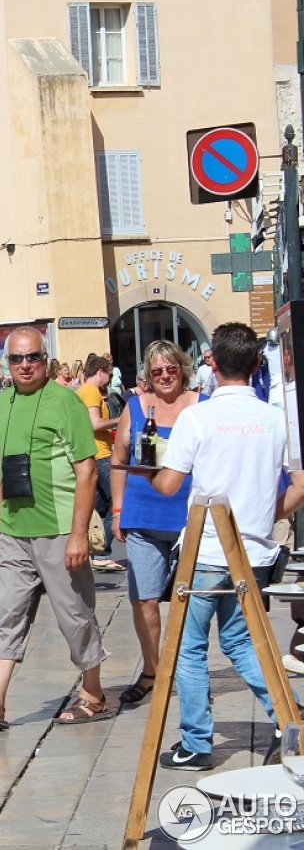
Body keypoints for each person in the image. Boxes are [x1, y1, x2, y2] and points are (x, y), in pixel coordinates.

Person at [149, 322, 304, 770]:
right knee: (242, 639)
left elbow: (170, 483)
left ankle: (196, 742)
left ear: (211, 363)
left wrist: (150, 473)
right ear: (257, 365)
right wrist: (264, 512)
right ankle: (288, 713)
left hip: (206, 550)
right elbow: (300, 484)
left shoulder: (198, 417)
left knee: (187, 645)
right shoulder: (275, 419)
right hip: (252, 548)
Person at [0, 326, 109, 731]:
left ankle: (93, 694)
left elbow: (87, 471)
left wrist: (79, 535)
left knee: (74, 614)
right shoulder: (4, 402)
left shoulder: (67, 403)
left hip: (59, 527)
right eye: (16, 359)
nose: (25, 365)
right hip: (14, 531)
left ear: (46, 359)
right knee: (7, 613)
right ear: (6, 364)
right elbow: (7, 469)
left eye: (33, 357)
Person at [109, 341, 201, 706]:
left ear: (182, 368)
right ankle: (153, 672)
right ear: (147, 376)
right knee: (143, 599)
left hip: (189, 519)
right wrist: (118, 510)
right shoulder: (135, 407)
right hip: (143, 515)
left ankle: (190, 673)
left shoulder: (201, 405)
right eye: (157, 371)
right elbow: (118, 459)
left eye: (171, 369)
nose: (165, 376)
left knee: (191, 602)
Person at [77, 356, 121, 570]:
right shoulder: (92, 391)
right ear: (101, 372)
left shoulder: (84, 390)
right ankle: (101, 553)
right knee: (119, 498)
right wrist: (121, 420)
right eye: (109, 375)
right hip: (101, 454)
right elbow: (95, 424)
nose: (110, 380)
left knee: (97, 505)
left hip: (94, 453)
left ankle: (90, 547)